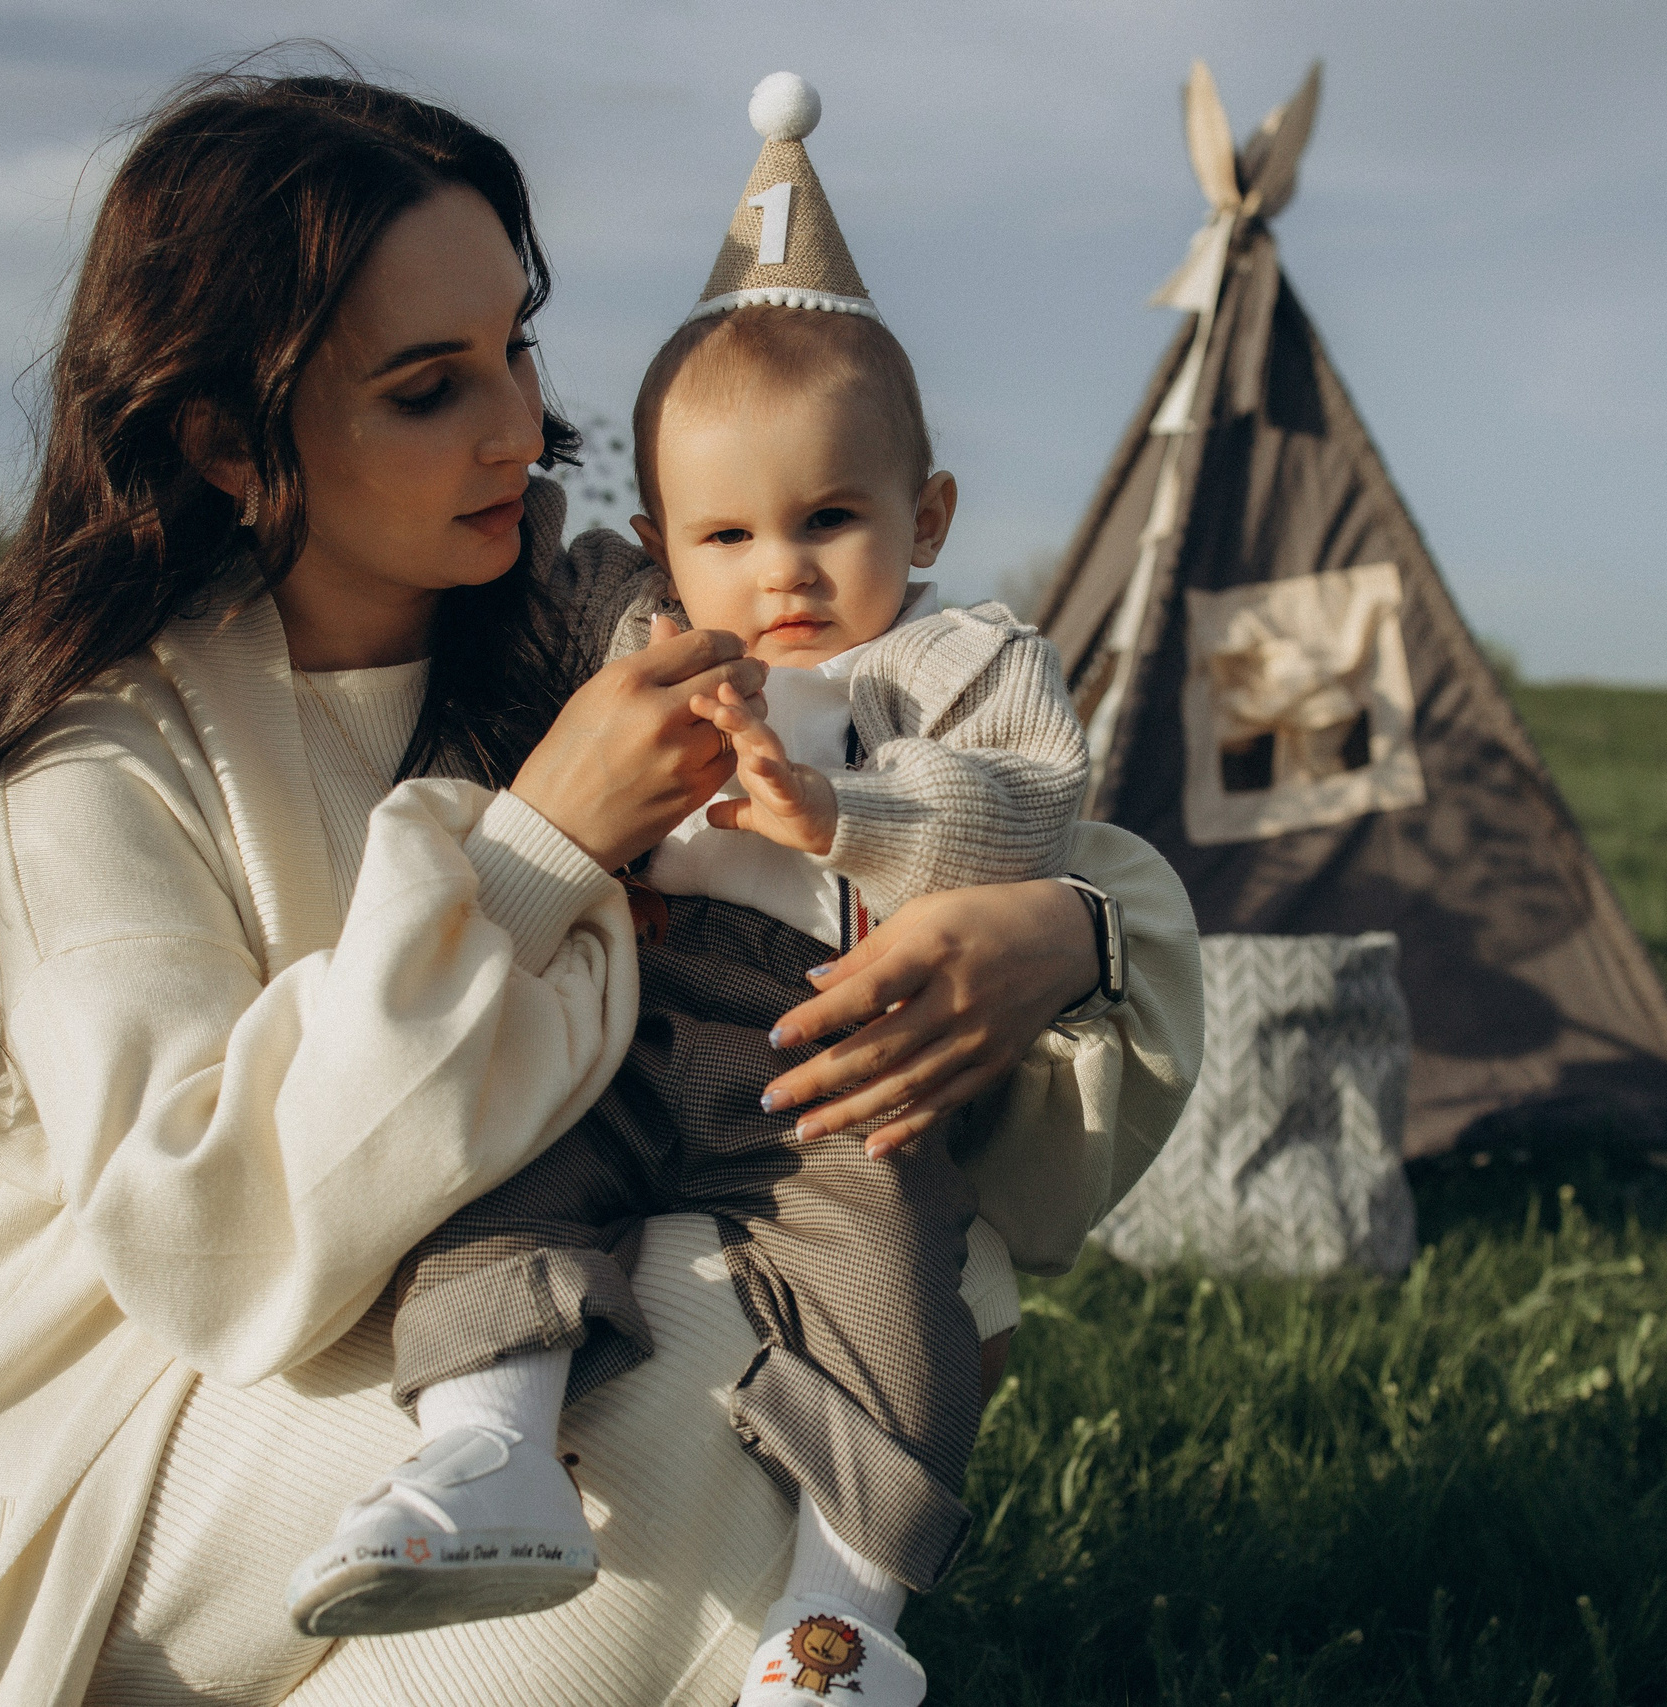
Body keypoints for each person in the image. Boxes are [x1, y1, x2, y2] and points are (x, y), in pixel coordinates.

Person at [0, 66, 1200, 1707]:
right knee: (707, 1317)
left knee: (876, 1266)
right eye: (426, 389)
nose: (519, 428)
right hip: (118, 1434)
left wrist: (1074, 935)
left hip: (424, 1348)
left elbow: (975, 774)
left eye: (517, 349)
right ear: (226, 445)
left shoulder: (566, 610)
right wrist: (542, 845)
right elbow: (209, 1245)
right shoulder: (102, 764)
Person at [284, 79, 1096, 1707]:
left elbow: (1035, 799)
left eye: (834, 520)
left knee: (899, 1303)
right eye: (728, 532)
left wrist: (851, 809)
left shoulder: (952, 660)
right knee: (503, 1186)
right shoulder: (628, 624)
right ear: (659, 540)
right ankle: (490, 1448)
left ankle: (844, 1620)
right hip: (623, 1041)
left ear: (925, 518)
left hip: (826, 1083)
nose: (782, 572)